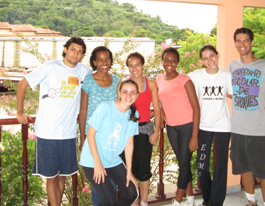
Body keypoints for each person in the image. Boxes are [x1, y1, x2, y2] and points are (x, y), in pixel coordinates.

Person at [16, 37, 92, 206]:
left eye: (80, 52)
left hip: (69, 134)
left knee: (62, 175)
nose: (75, 54)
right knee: (51, 178)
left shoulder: (84, 71)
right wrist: (19, 112)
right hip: (47, 133)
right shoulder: (49, 67)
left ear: (82, 55)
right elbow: (22, 84)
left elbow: (99, 82)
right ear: (65, 49)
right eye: (73, 49)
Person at [79, 79, 139, 206]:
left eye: (133, 92)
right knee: (108, 200)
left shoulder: (133, 114)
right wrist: (98, 163)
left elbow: (129, 144)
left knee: (132, 193)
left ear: (137, 95)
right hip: (92, 160)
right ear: (119, 92)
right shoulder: (105, 107)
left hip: (112, 160)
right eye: (125, 92)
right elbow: (90, 134)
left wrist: (129, 171)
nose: (129, 96)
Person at [156, 47, 200, 206]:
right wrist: (160, 114)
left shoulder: (184, 79)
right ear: (162, 61)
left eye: (173, 60)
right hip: (171, 127)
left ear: (177, 63)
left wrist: (195, 135)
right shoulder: (159, 79)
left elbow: (196, 108)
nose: (169, 63)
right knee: (183, 162)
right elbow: (160, 101)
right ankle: (191, 198)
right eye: (166, 59)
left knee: (183, 163)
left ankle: (178, 200)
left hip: (187, 126)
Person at [189, 45, 232, 206]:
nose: (210, 60)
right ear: (201, 61)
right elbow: (178, 83)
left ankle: (216, 202)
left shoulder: (226, 76)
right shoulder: (196, 76)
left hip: (223, 126)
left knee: (220, 166)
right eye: (205, 58)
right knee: (202, 166)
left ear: (217, 55)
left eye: (212, 56)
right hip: (203, 126)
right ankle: (207, 199)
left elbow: (237, 94)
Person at [229, 27, 265, 206]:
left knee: (263, 172)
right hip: (238, 129)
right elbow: (229, 90)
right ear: (235, 43)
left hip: (260, 129)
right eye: (238, 41)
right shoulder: (232, 66)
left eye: (245, 41)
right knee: (244, 168)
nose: (242, 44)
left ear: (251, 43)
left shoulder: (263, 66)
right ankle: (251, 201)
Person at [79, 46, 119, 205]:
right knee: (97, 182)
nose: (104, 62)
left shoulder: (116, 80)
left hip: (111, 138)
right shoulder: (88, 81)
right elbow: (83, 111)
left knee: (113, 181)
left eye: (107, 59)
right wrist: (82, 138)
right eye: (100, 59)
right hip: (93, 138)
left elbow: (119, 107)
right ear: (94, 62)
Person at [119, 52, 160, 206]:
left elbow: (156, 108)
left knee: (143, 168)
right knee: (128, 168)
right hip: (127, 130)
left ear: (143, 66)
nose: (134, 68)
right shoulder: (124, 85)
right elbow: (119, 110)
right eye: (131, 65)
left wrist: (157, 131)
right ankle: (133, 201)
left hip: (144, 129)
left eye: (137, 64)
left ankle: (143, 202)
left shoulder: (150, 84)